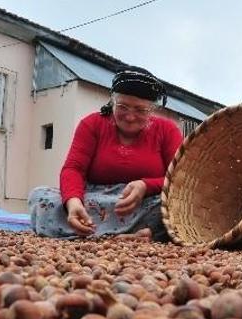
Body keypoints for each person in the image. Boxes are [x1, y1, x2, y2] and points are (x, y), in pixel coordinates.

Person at [28, 66, 183, 241]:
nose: (130, 117)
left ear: (152, 109)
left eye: (140, 110)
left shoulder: (167, 130)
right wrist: (73, 203)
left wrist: (145, 186)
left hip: (145, 202)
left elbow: (178, 179)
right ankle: (140, 235)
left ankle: (93, 234)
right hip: (95, 199)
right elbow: (73, 169)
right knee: (41, 197)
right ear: (112, 102)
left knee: (175, 207)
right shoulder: (92, 124)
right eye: (123, 107)